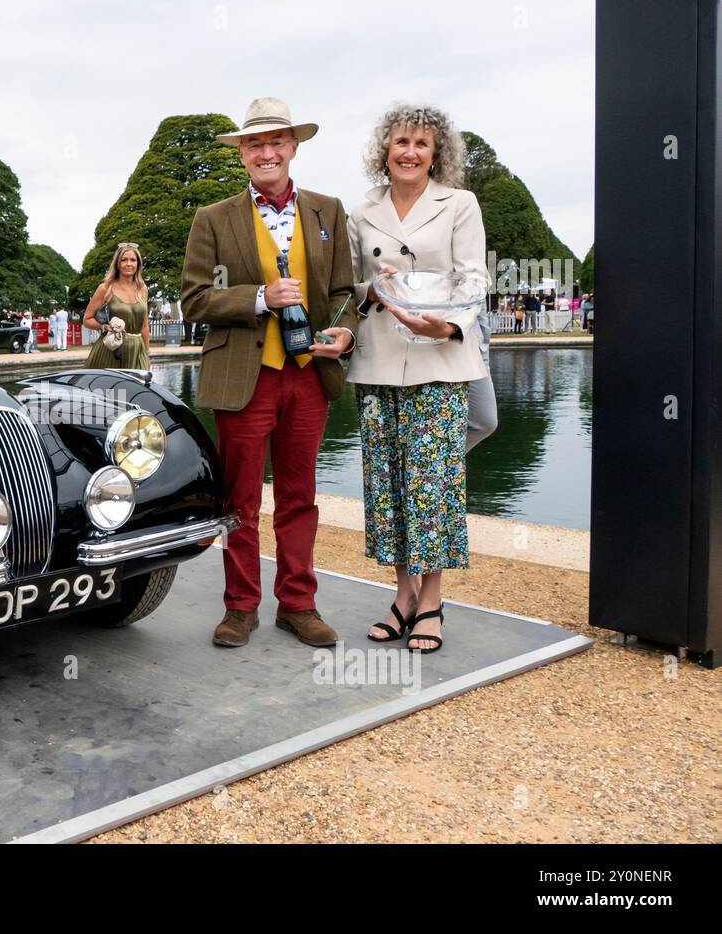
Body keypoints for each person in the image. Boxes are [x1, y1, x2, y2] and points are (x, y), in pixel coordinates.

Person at [179, 97, 358, 649]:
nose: (266, 152)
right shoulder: (212, 218)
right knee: (240, 500)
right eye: (255, 143)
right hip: (243, 375)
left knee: (300, 495)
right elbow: (193, 300)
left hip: (308, 375)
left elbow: (348, 293)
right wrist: (258, 297)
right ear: (241, 155)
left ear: (294, 147)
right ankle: (240, 606)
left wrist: (346, 332)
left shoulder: (328, 211)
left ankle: (298, 605)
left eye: (276, 141)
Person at [347, 105, 490, 653]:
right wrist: (371, 287)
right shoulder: (361, 212)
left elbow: (473, 277)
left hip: (438, 357)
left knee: (432, 486)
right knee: (388, 485)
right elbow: (350, 288)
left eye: (422, 144)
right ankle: (402, 595)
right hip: (379, 360)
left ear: (438, 154)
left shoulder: (461, 204)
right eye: (401, 141)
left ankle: (431, 603)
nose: (409, 152)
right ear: (385, 148)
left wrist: (445, 325)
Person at [85, 243, 152, 370]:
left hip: (136, 350)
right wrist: (104, 327)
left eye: (133, 260)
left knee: (138, 388)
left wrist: (147, 354)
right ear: (117, 263)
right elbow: (87, 319)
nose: (129, 264)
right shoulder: (105, 288)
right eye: (124, 260)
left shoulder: (142, 289)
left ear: (138, 264)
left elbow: (144, 325)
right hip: (111, 349)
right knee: (109, 389)